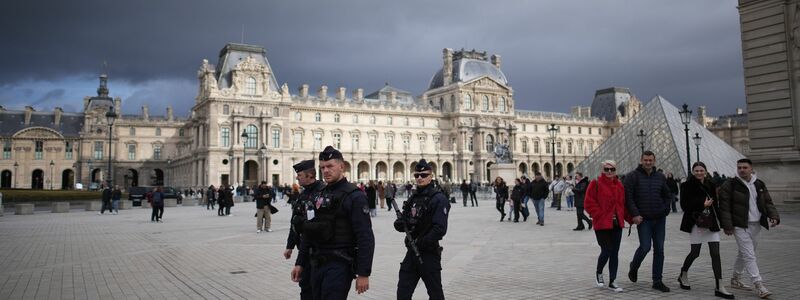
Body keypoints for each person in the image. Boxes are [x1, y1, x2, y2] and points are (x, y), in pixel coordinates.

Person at [292, 146, 375, 299]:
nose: (326, 171)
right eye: (322, 167)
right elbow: (308, 232)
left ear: (341, 166)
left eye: (330, 166)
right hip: (317, 263)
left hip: (340, 264)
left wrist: (363, 273)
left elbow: (365, 236)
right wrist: (300, 263)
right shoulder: (318, 195)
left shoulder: (354, 196)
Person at [718, 158, 780, 299]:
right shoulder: (730, 184)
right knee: (749, 254)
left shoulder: (759, 184)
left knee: (744, 252)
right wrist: (728, 226)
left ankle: (735, 278)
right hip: (740, 225)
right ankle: (759, 284)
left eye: (745, 167)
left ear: (751, 169)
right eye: (739, 167)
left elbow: (768, 202)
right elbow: (725, 207)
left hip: (756, 224)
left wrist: (774, 215)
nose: (741, 170)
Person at [393, 159, 449, 300]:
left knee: (435, 294)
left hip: (428, 253)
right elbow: (407, 220)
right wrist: (399, 224)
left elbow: (440, 228)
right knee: (403, 293)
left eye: (423, 175)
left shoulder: (438, 198)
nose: (419, 178)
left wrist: (421, 242)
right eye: (417, 175)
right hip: (412, 252)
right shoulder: (413, 197)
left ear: (431, 177)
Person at [677, 162, 734, 299]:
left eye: (701, 170)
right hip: (696, 222)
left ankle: (719, 286)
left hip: (711, 222)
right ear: (692, 171)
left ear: (705, 171)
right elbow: (684, 206)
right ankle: (683, 273)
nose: (699, 173)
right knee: (695, 253)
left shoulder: (711, 184)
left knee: (715, 253)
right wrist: (702, 204)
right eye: (696, 170)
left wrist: (724, 224)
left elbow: (717, 205)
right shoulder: (686, 185)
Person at [624, 151, 673, 292]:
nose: (648, 162)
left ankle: (657, 280)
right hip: (643, 219)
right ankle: (634, 266)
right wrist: (635, 214)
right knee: (645, 247)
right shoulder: (632, 176)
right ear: (641, 160)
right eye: (645, 160)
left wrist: (666, 209)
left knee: (659, 249)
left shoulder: (660, 176)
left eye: (650, 160)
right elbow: (629, 198)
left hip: (659, 218)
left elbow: (667, 194)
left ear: (654, 161)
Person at [585, 160, 627, 292]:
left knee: (614, 253)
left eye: (612, 169)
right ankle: (599, 272)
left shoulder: (619, 185)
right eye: (607, 169)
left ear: (616, 170)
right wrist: (599, 214)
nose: (609, 172)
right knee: (606, 250)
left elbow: (622, 204)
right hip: (602, 224)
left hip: (617, 224)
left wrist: (630, 218)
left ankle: (613, 281)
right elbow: (588, 202)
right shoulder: (595, 183)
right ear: (602, 170)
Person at [286, 160, 323, 300]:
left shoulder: (322, 192)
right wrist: (289, 246)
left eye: (299, 174)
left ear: (309, 175)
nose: (297, 177)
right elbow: (294, 222)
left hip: (318, 250)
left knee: (316, 287)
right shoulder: (303, 194)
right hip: (304, 249)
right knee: (305, 287)